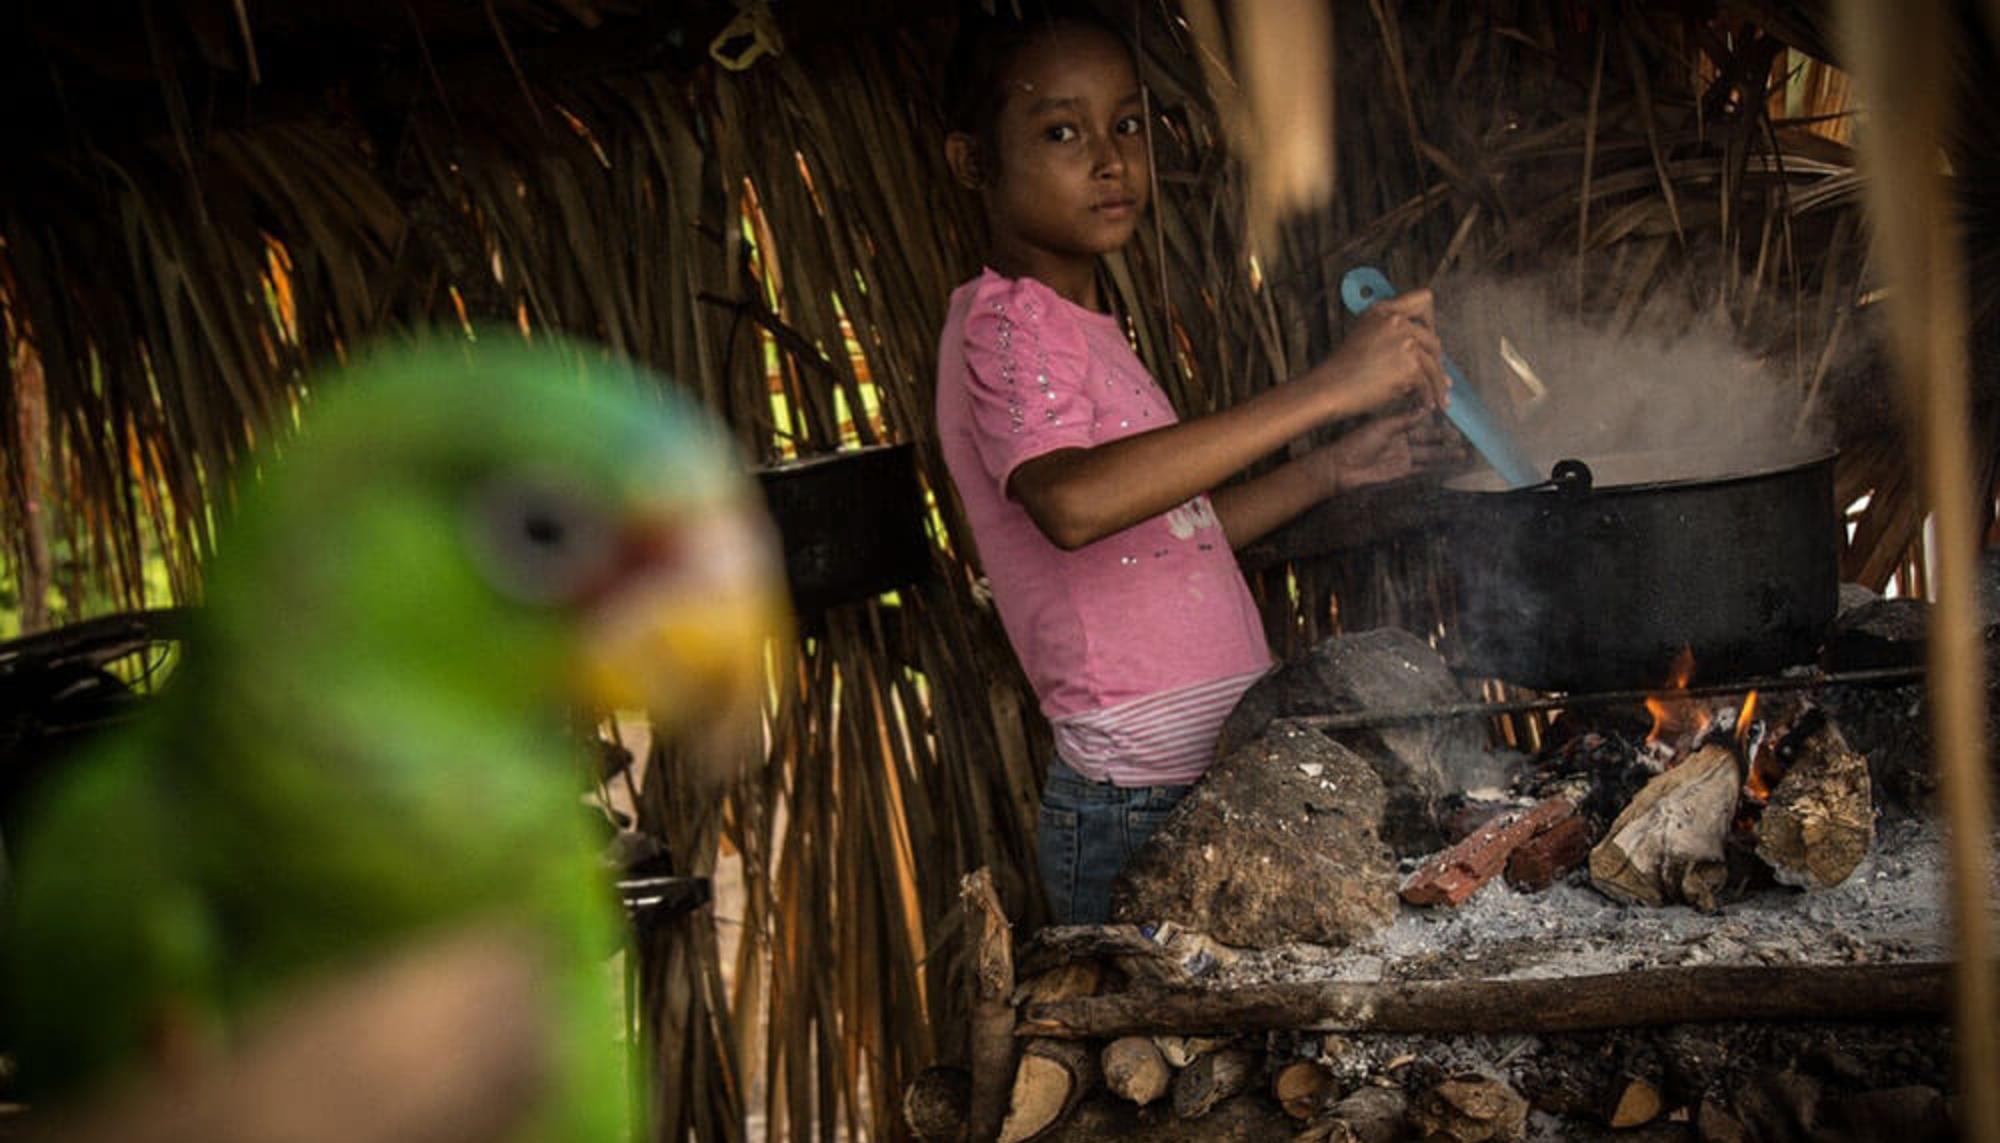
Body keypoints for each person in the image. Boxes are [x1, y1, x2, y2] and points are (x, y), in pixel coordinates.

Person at [934, 5, 1459, 924]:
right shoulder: (1007, 321)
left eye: (1127, 125)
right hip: (1136, 808)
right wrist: (1327, 387)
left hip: (1198, 784)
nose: (1109, 159)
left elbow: (1169, 537)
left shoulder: (1082, 332)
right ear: (971, 164)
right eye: (1062, 131)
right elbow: (1071, 503)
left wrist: (1332, 467)